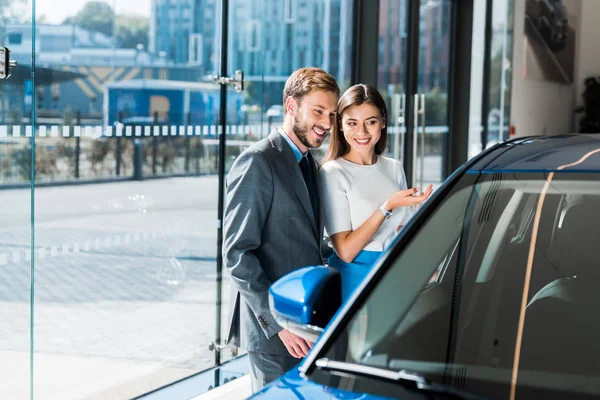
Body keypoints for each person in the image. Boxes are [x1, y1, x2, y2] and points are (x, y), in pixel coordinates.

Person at [222, 67, 340, 393]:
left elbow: (309, 245)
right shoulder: (258, 161)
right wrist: (278, 325)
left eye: (331, 114)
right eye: (318, 111)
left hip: (307, 327)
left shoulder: (311, 166)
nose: (326, 124)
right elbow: (237, 254)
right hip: (275, 337)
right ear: (291, 106)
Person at [320, 84, 432, 302]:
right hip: (354, 283)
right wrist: (387, 206)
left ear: (383, 122)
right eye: (352, 123)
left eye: (370, 122)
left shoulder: (393, 167)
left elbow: (400, 231)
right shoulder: (333, 172)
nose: (362, 132)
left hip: (394, 274)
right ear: (340, 125)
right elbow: (346, 251)